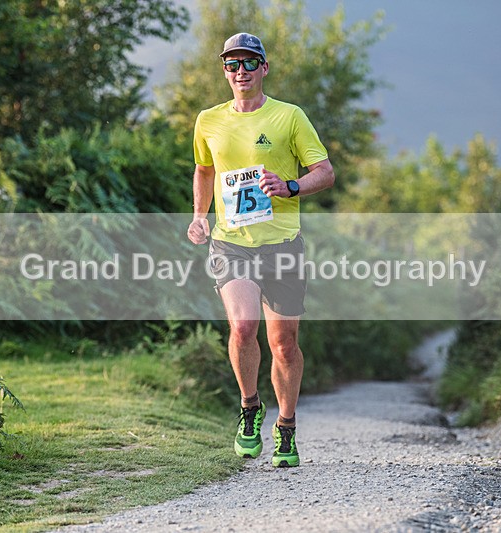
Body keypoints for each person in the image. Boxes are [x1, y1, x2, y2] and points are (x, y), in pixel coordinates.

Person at [186, 32, 335, 467]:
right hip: (231, 243)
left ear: (264, 68)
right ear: (225, 71)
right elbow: (204, 169)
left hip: (282, 245)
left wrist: (289, 186)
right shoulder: (208, 120)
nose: (241, 71)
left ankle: (286, 425)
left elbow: (325, 172)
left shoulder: (290, 116)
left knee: (284, 344)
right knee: (242, 327)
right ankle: (250, 407)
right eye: (232, 64)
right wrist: (199, 215)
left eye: (250, 63)